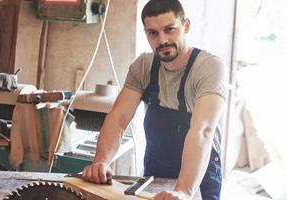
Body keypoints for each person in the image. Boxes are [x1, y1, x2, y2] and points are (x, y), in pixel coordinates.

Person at [82, 0, 227, 199]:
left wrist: (184, 191)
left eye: (170, 30)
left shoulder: (209, 68)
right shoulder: (143, 66)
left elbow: (202, 131)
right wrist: (101, 161)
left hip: (199, 175)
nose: (162, 40)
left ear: (186, 26)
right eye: (153, 33)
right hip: (155, 169)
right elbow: (118, 118)